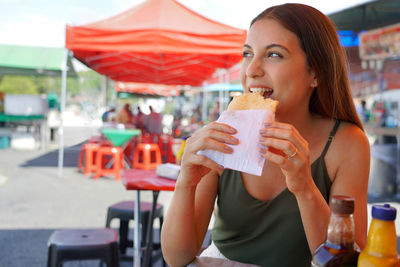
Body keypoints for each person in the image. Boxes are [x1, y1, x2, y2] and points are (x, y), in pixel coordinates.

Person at [161, 3, 370, 267]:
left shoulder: (346, 143)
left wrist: (305, 187)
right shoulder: (225, 135)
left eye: (273, 55)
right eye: (247, 54)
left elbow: (350, 261)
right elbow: (176, 257)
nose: (252, 70)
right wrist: (186, 182)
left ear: (315, 73)